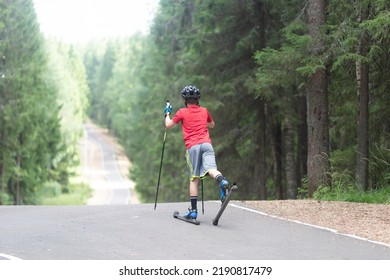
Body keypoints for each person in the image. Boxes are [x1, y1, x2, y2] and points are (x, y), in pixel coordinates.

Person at [164, 85, 230, 220]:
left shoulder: (181, 112)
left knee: (194, 178)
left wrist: (167, 113)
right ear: (197, 99)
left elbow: (168, 125)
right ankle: (222, 181)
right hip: (207, 144)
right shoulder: (204, 111)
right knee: (212, 169)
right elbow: (212, 125)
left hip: (193, 147)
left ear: (184, 100)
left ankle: (193, 211)